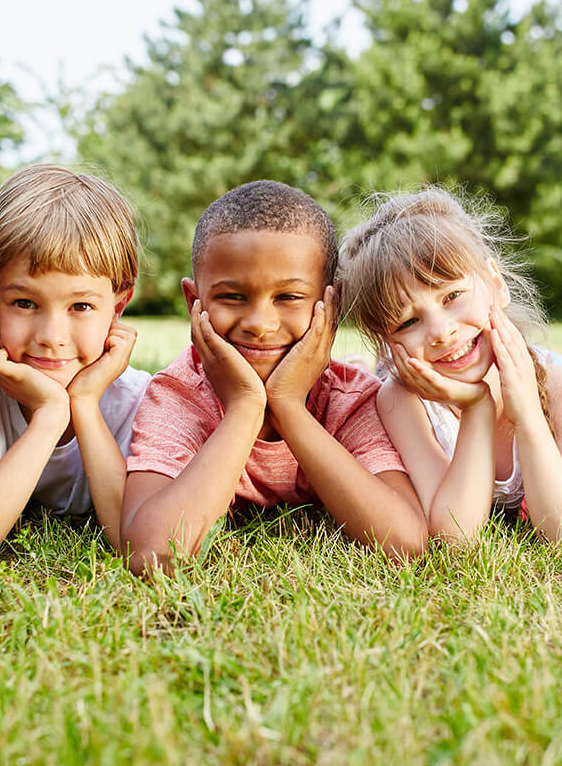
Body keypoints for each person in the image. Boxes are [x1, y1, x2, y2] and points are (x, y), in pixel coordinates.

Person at [120, 180, 428, 572]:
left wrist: (288, 406)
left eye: (288, 298)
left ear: (331, 305)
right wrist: (246, 406)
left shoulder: (350, 398)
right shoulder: (179, 394)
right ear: (193, 302)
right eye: (232, 297)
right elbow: (149, 553)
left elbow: (406, 542)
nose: (260, 325)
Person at [339, 188, 562, 549]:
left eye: (452, 296)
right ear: (387, 343)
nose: (442, 331)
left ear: (496, 283)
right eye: (408, 322)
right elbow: (455, 538)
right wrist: (475, 407)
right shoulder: (401, 402)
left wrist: (527, 413)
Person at [0, 165, 147, 558]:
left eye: (80, 306)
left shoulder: (139, 401)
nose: (51, 336)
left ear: (118, 307)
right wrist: (49, 416)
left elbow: (134, 542)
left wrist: (84, 404)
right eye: (25, 303)